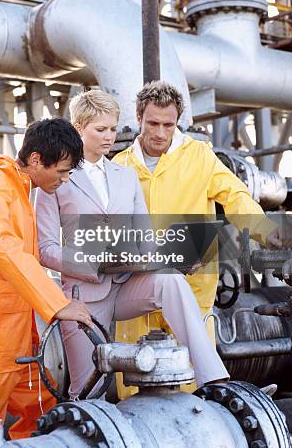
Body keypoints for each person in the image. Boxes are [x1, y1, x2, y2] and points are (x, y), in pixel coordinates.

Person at [36, 90, 228, 399]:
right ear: (78, 128)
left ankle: (214, 381)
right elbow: (45, 250)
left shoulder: (126, 176)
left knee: (171, 280)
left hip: (126, 285)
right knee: (89, 391)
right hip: (83, 296)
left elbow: (145, 238)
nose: (109, 137)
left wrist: (173, 258)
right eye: (101, 129)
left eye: (112, 129)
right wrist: (95, 262)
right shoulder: (56, 178)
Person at [111, 80, 288, 397]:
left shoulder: (200, 157)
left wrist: (263, 227)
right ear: (139, 118)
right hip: (138, 301)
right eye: (153, 123)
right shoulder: (120, 166)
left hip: (192, 297)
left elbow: (235, 197)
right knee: (137, 402)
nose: (161, 133)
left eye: (169, 124)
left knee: (195, 397)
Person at [0, 119, 94, 447]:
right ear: (37, 159)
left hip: (18, 343)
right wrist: (58, 304)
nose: (64, 181)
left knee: (42, 417)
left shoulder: (20, 188)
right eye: (62, 171)